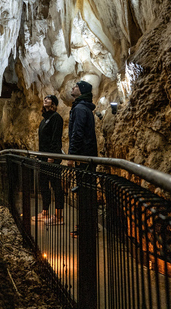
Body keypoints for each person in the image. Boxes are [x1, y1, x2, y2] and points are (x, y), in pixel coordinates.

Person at [66, 80, 98, 307]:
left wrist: (71, 156)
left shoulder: (79, 109)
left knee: (85, 192)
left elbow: (77, 133)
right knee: (88, 192)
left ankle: (86, 228)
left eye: (76, 86)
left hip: (84, 157)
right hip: (89, 155)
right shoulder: (85, 107)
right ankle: (88, 226)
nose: (73, 87)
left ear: (82, 91)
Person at [37, 95, 64, 225]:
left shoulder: (56, 118)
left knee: (55, 185)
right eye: (45, 98)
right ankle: (45, 212)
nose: (45, 99)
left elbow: (55, 138)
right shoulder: (44, 120)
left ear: (53, 102)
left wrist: (52, 156)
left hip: (51, 158)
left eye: (49, 98)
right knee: (43, 184)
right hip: (43, 157)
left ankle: (59, 216)